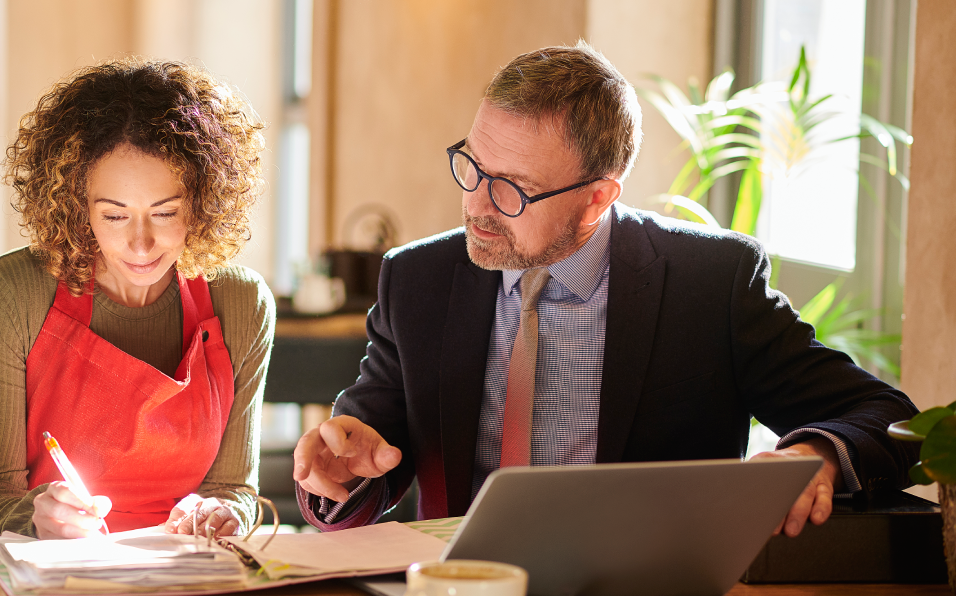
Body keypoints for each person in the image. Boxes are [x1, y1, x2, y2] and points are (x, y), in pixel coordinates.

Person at [293, 42, 919, 536]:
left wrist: (818, 453)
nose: (477, 205)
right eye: (472, 166)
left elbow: (887, 418)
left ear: (598, 198)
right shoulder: (419, 279)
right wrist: (337, 474)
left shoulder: (708, 285)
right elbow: (362, 454)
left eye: (510, 187)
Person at [0, 59, 274, 547]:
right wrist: (33, 517)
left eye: (165, 213)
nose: (141, 244)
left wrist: (224, 511)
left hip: (186, 578)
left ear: (203, 202)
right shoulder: (11, 292)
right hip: (42, 579)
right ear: (77, 207)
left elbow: (235, 489)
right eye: (115, 216)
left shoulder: (240, 302)